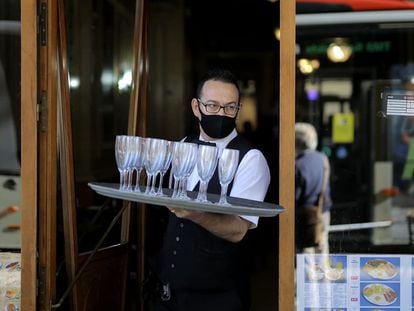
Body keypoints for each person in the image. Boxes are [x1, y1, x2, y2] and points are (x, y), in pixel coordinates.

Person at [153, 68, 271, 311]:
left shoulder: (251, 158)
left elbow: (239, 230)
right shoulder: (184, 146)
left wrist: (195, 213)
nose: (222, 113)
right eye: (213, 106)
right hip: (169, 294)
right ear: (197, 108)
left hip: (217, 299)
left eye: (230, 107)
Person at [295, 122, 332, 254]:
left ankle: (310, 275)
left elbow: (295, 195)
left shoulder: (297, 164)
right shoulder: (323, 159)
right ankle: (323, 273)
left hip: (305, 214)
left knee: (306, 252)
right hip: (323, 210)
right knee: (322, 246)